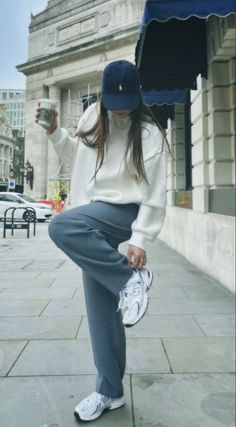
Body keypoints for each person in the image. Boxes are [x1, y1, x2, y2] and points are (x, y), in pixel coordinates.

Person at [36, 60, 168, 423]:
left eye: (125, 103)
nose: (119, 110)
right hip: (93, 212)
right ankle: (110, 390)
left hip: (125, 213)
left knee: (60, 227)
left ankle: (130, 279)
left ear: (138, 97)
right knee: (102, 312)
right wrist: (53, 132)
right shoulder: (95, 115)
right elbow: (78, 159)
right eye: (113, 102)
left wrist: (140, 239)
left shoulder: (149, 134)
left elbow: (156, 194)